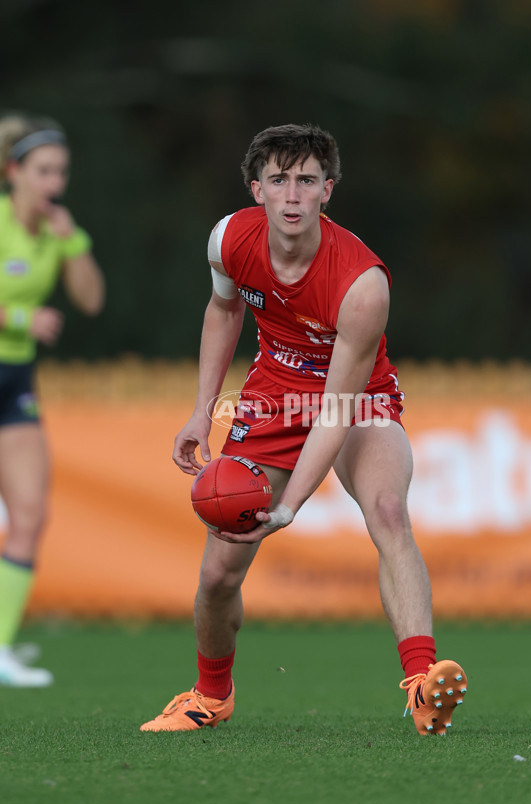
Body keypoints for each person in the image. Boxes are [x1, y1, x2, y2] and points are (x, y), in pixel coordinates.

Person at [141, 124, 467, 735]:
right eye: (279, 180)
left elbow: (337, 411)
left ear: (328, 191)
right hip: (272, 396)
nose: (292, 196)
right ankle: (210, 696)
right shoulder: (228, 240)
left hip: (356, 395)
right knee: (216, 577)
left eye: (307, 181)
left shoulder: (362, 285)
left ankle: (423, 682)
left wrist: (291, 503)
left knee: (390, 511)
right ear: (255, 189)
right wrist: (199, 410)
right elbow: (225, 308)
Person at [0, 113, 105, 686]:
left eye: (61, 172)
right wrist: (19, 316)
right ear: (13, 171)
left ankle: (0, 647)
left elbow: (90, 300)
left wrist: (72, 242)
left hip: (14, 380)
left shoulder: (53, 231)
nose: (54, 184)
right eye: (43, 171)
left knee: (31, 512)